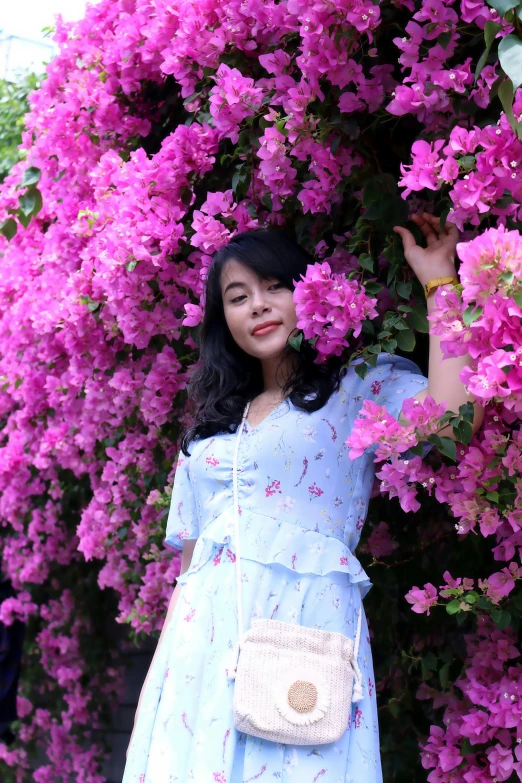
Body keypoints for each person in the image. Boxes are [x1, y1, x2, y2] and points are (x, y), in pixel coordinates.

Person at [123, 213, 484, 782]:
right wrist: (166, 678)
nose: (259, 305)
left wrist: (440, 282)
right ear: (225, 320)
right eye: (238, 297)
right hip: (201, 650)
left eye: (275, 286)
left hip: (303, 631)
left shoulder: (356, 385)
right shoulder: (211, 429)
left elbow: (452, 419)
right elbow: (190, 567)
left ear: (306, 292)